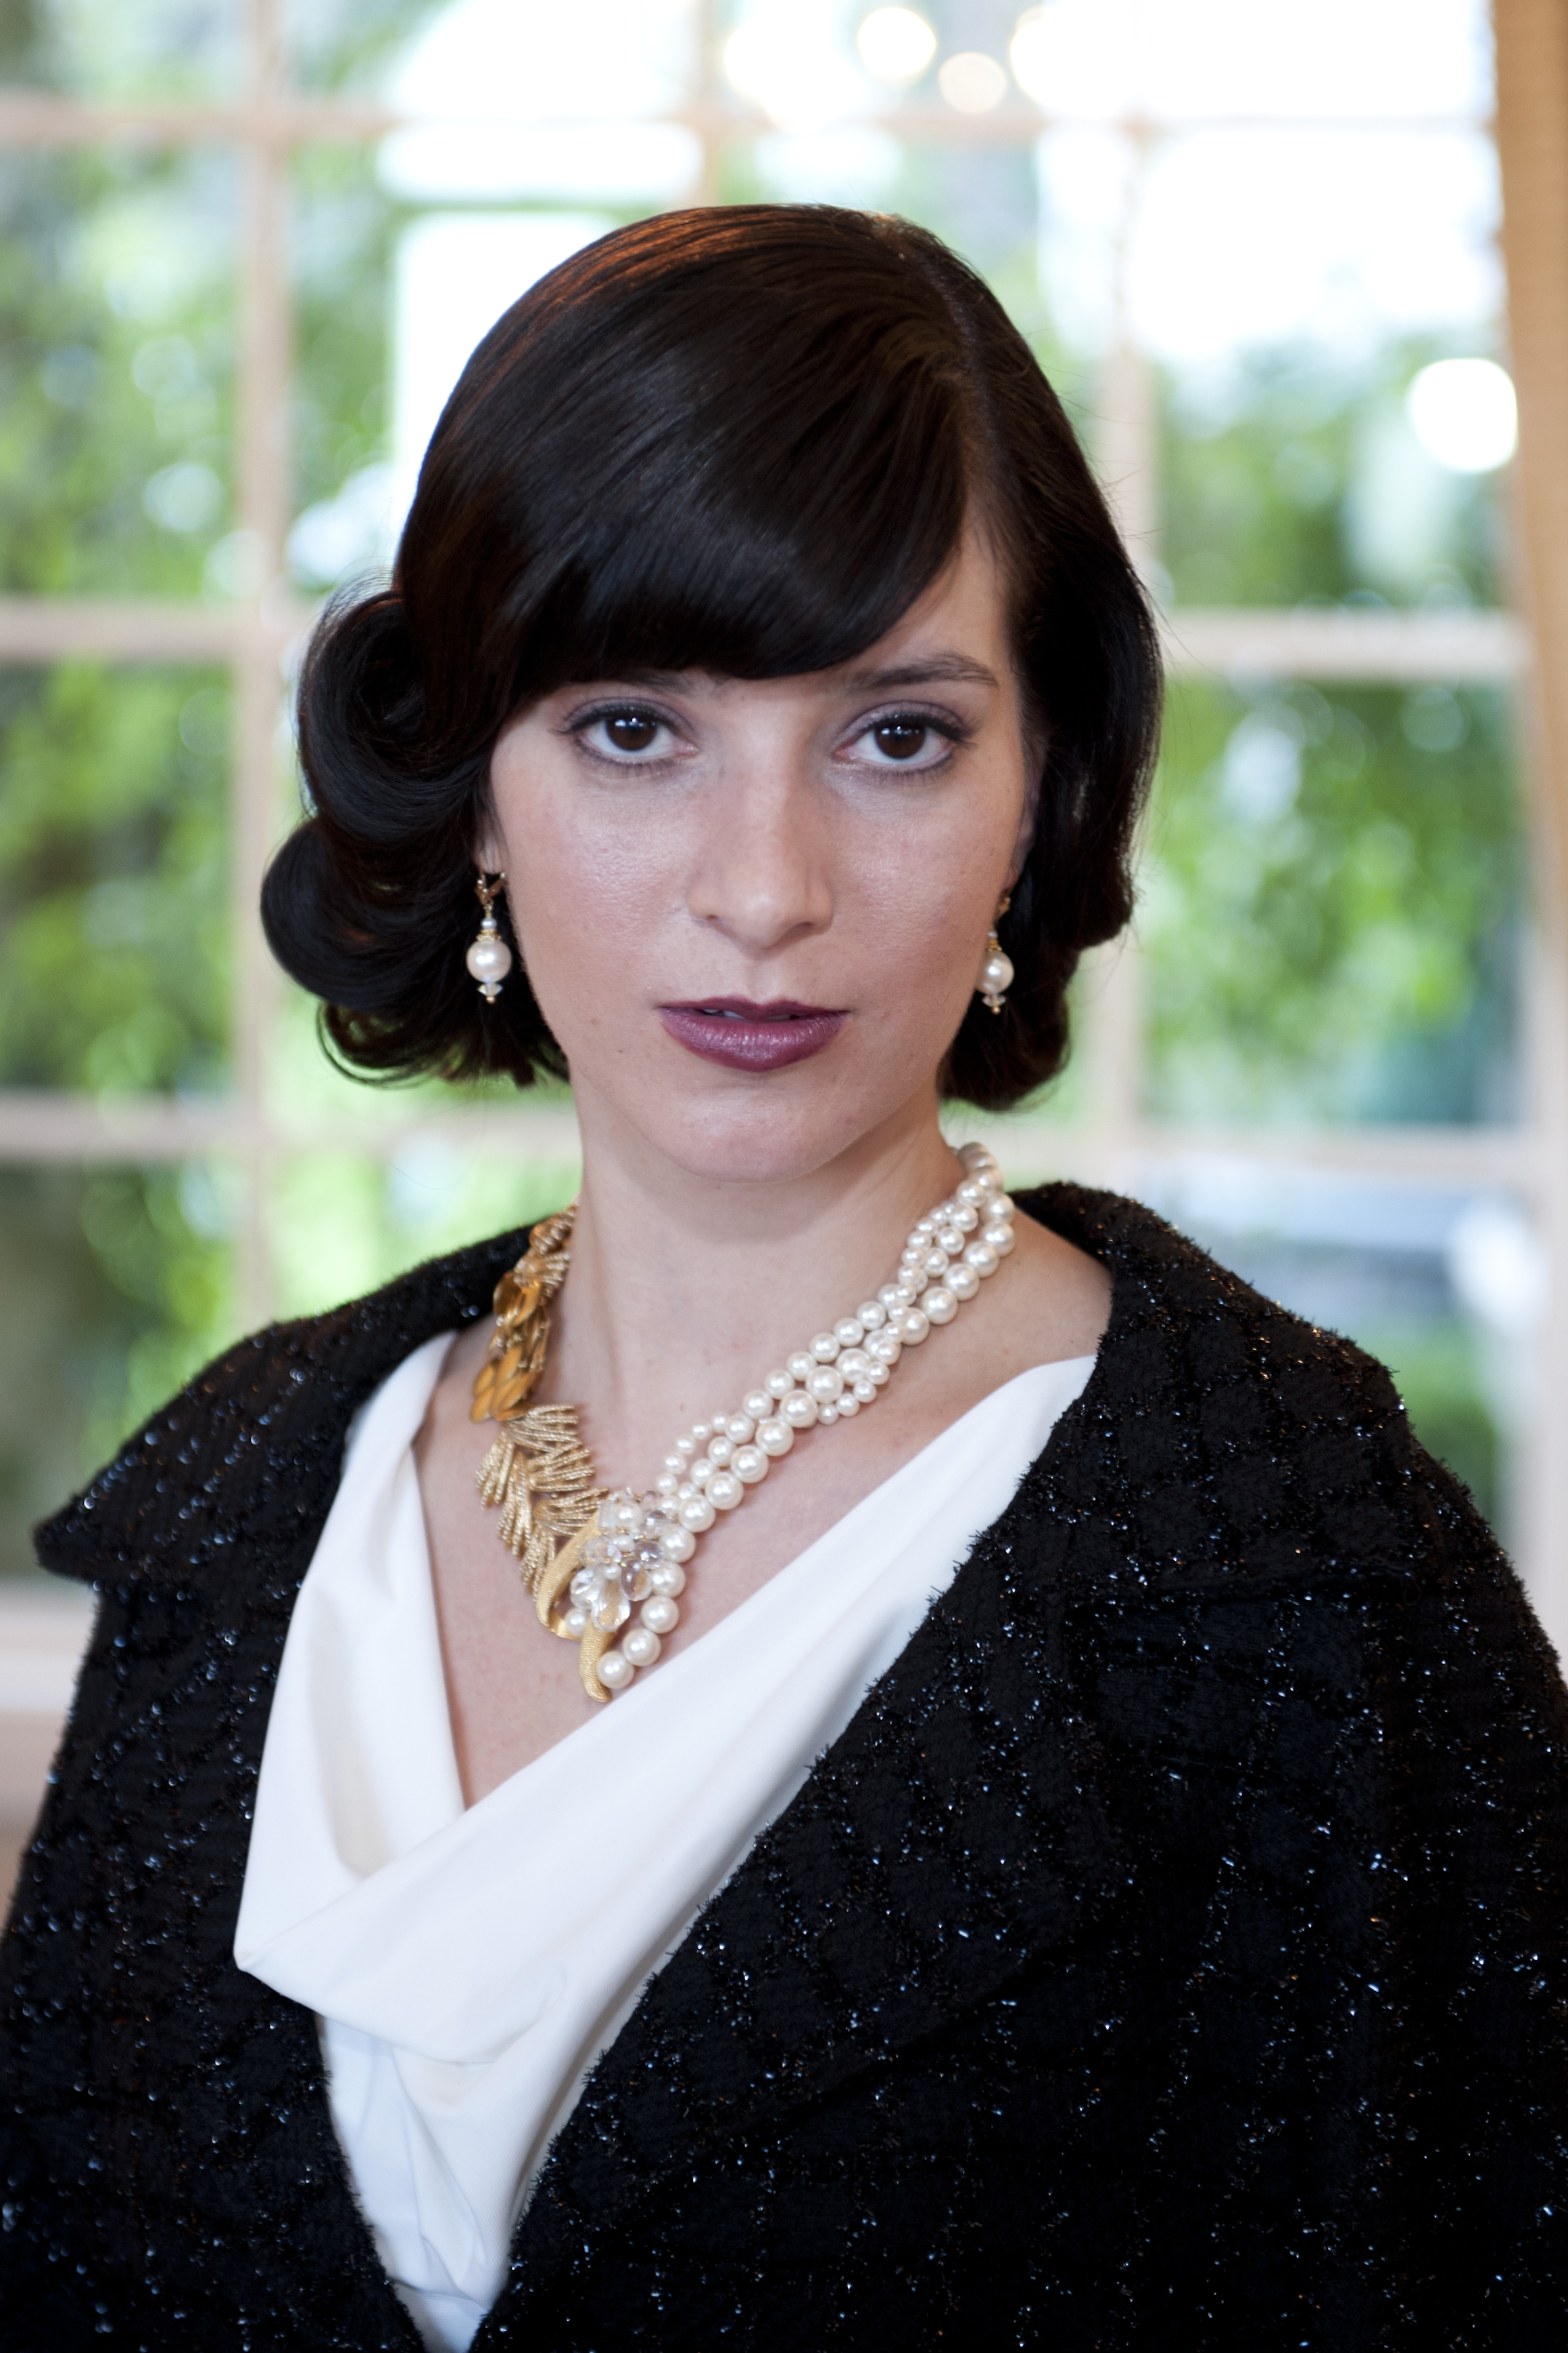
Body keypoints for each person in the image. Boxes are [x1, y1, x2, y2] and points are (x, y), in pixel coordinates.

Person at [2, 205, 1565, 2353]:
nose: (764, 891)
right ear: (473, 793)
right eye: (635, 730)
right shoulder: (243, 1512)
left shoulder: (1295, 1576)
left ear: (1040, 795)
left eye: (897, 736)